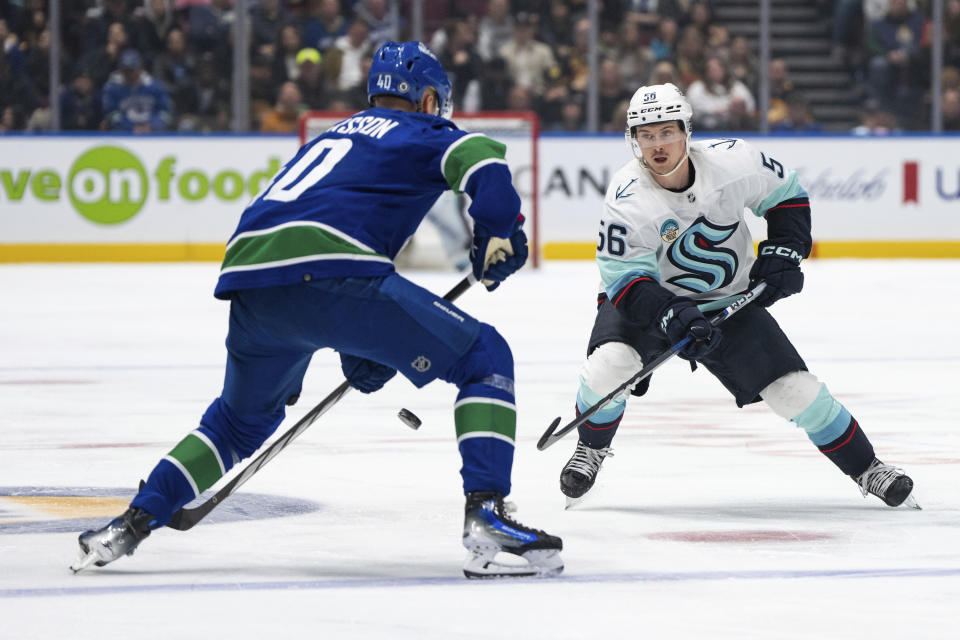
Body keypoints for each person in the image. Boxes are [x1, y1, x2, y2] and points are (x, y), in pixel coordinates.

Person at [71, 41, 563, 579]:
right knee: (484, 357)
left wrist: (365, 344)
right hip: (330, 269)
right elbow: (483, 156)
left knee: (237, 423)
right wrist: (497, 230)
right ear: (427, 101)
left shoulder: (336, 135)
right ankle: (486, 514)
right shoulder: (423, 131)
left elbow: (331, 242)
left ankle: (131, 523)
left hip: (252, 277)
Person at [557, 83, 918, 512]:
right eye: (646, 134)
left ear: (686, 132)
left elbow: (786, 195)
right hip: (649, 302)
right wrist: (672, 315)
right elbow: (624, 281)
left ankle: (867, 467)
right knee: (610, 367)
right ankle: (591, 446)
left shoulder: (734, 161)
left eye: (667, 131)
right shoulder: (626, 198)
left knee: (794, 391)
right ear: (632, 140)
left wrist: (785, 249)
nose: (658, 144)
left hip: (729, 299)